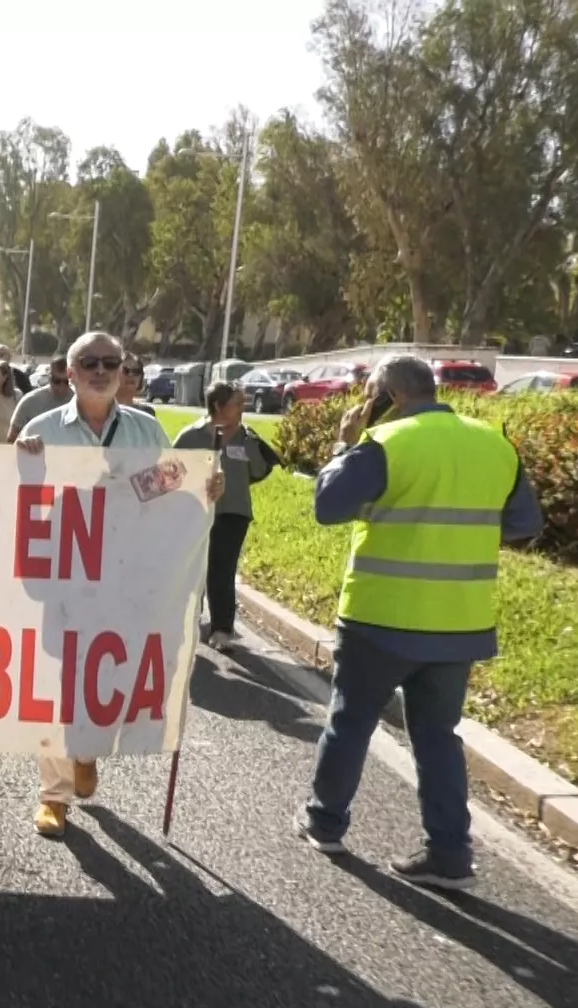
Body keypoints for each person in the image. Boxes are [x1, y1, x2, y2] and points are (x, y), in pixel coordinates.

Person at [298, 355, 541, 890]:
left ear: (388, 395)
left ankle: (324, 822)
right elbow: (525, 524)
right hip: (460, 622)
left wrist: (345, 444)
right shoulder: (492, 443)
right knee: (438, 738)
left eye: (370, 393)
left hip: (380, 617)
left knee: (351, 721)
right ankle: (450, 854)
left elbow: (327, 506)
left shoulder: (386, 443)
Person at [16, 332, 223, 838]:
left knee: (107, 676)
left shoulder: (146, 431)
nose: (102, 370)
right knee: (59, 683)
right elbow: (16, 496)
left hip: (124, 577)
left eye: (112, 362)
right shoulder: (40, 429)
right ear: (69, 370)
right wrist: (20, 459)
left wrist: (202, 485)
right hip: (63, 579)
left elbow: (162, 490)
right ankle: (53, 795)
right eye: (90, 361)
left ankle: (85, 750)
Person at [174, 382, 282, 650]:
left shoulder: (247, 437)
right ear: (219, 407)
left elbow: (257, 472)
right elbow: (171, 472)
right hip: (195, 512)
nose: (242, 409)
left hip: (234, 511)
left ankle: (222, 629)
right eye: (237, 404)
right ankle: (190, 618)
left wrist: (251, 446)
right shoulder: (191, 436)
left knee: (223, 569)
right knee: (195, 566)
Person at [6, 356, 72, 441]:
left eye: (66, 382)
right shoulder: (30, 401)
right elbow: (12, 438)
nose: (61, 387)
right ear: (49, 377)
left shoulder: (79, 402)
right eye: (56, 381)